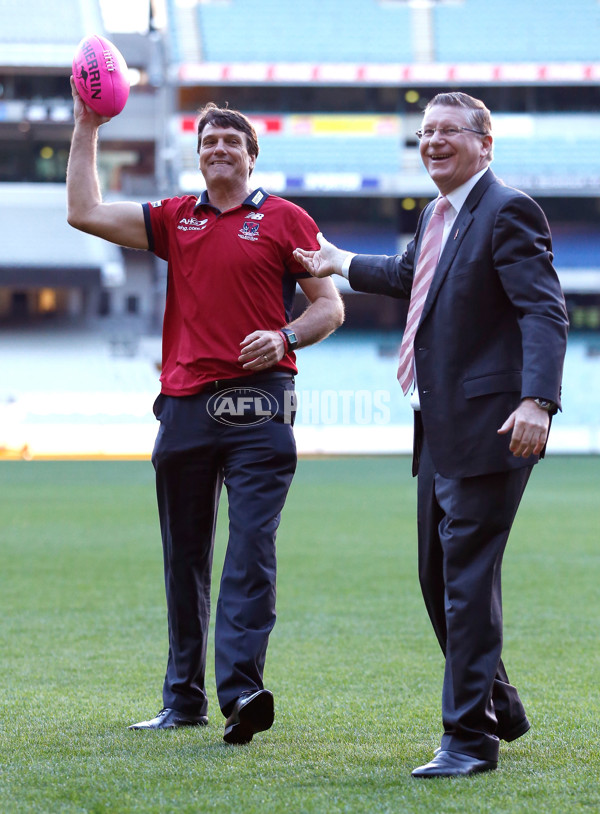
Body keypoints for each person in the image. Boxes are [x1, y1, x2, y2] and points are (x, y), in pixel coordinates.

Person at [294, 92, 568, 777]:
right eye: (426, 132)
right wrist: (338, 260)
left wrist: (538, 400)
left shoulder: (508, 211)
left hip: (495, 425)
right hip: (441, 426)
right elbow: (410, 274)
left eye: (449, 130)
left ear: (485, 144)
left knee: (466, 581)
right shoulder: (440, 215)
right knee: (437, 577)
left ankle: (469, 741)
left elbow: (544, 311)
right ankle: (498, 705)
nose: (434, 141)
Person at [67, 89, 344, 744]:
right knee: (184, 557)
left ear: (252, 157)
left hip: (260, 405)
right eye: (207, 142)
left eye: (231, 142)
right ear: (197, 158)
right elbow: (83, 211)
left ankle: (243, 693)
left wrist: (284, 338)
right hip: (186, 405)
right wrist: (86, 125)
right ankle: (181, 700)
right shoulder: (173, 219)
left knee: (250, 550)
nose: (219, 149)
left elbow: (328, 307)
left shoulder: (285, 220)